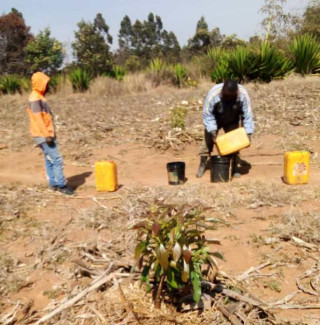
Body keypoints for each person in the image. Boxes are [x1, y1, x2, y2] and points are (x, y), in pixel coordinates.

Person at [26, 71, 74, 195]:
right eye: (46, 83)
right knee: (57, 159)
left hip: (45, 134)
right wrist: (47, 135)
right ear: (40, 84)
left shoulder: (38, 96)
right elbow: (38, 119)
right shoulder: (35, 98)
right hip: (43, 134)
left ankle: (53, 183)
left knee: (49, 159)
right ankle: (61, 185)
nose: (48, 86)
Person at [196, 79, 254, 178]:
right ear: (222, 90)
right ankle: (202, 164)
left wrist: (248, 133)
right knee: (207, 142)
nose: (227, 97)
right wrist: (212, 130)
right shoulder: (214, 93)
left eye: (230, 96)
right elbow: (207, 114)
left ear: (236, 92)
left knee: (234, 144)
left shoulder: (243, 95)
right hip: (215, 118)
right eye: (225, 95)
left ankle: (234, 167)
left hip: (232, 119)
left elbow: (247, 114)